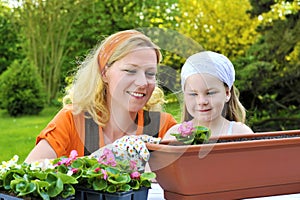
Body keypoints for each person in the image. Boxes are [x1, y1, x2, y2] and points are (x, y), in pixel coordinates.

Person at [25, 30, 177, 163]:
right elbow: (31, 167)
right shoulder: (73, 120)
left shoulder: (163, 126)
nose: (143, 82)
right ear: (104, 72)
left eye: (150, 74)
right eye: (130, 71)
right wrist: (100, 161)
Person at [164, 51, 253, 139]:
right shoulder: (173, 136)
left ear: (227, 93)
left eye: (210, 93)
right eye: (193, 94)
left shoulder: (240, 133)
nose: (202, 101)